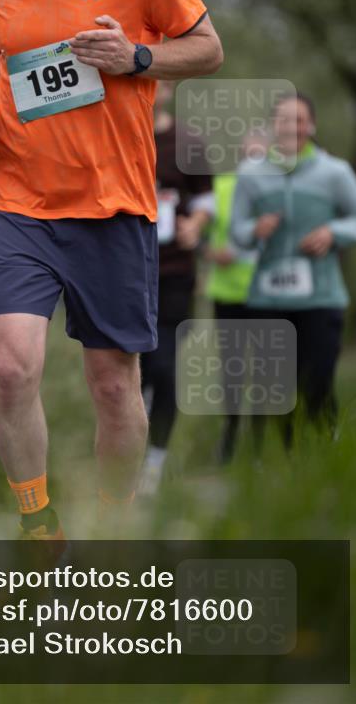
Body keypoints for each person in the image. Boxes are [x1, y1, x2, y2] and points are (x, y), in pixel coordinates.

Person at [0, 0, 223, 541]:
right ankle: (39, 528)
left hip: (112, 203)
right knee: (12, 369)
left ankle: (113, 528)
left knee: (112, 385)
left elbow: (205, 49)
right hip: (17, 199)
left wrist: (134, 58)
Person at [231, 92, 356, 445]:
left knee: (318, 382)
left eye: (298, 120)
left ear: (311, 125)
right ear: (273, 126)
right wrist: (254, 229)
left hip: (321, 296)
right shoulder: (250, 174)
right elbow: (237, 231)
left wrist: (332, 232)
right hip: (267, 299)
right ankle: (277, 466)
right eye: (283, 120)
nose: (291, 126)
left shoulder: (334, 172)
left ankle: (326, 457)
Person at [137, 80, 214, 495]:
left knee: (164, 365)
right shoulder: (116, 135)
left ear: (166, 89)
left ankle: (155, 460)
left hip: (174, 271)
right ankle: (128, 447)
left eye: (159, 82)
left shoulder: (187, 142)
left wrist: (194, 226)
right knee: (132, 369)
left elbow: (206, 201)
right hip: (125, 272)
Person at [203, 131, 266, 462]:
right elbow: (197, 233)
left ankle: (259, 445)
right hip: (227, 293)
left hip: (268, 295)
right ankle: (228, 439)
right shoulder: (222, 187)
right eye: (249, 150)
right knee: (233, 369)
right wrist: (213, 253)